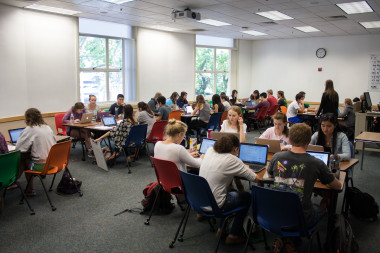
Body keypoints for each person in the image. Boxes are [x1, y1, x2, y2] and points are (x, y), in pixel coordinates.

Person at [267, 123, 342, 228]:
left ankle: (289, 239)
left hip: (277, 212)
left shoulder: (276, 156)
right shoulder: (317, 163)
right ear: (308, 141)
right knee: (319, 209)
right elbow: (338, 186)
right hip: (302, 217)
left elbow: (270, 176)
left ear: (290, 140)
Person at [199, 135, 259, 245]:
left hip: (201, 200)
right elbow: (256, 179)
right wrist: (246, 168)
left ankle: (221, 230)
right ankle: (233, 235)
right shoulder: (232, 159)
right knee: (246, 197)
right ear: (236, 149)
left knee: (230, 192)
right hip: (216, 204)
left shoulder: (209, 150)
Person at [16, 108, 56, 196]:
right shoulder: (47, 127)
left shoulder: (30, 129)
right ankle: (17, 183)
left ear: (27, 118)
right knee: (27, 157)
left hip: (42, 165)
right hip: (54, 162)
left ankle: (28, 188)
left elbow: (19, 149)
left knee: (23, 159)